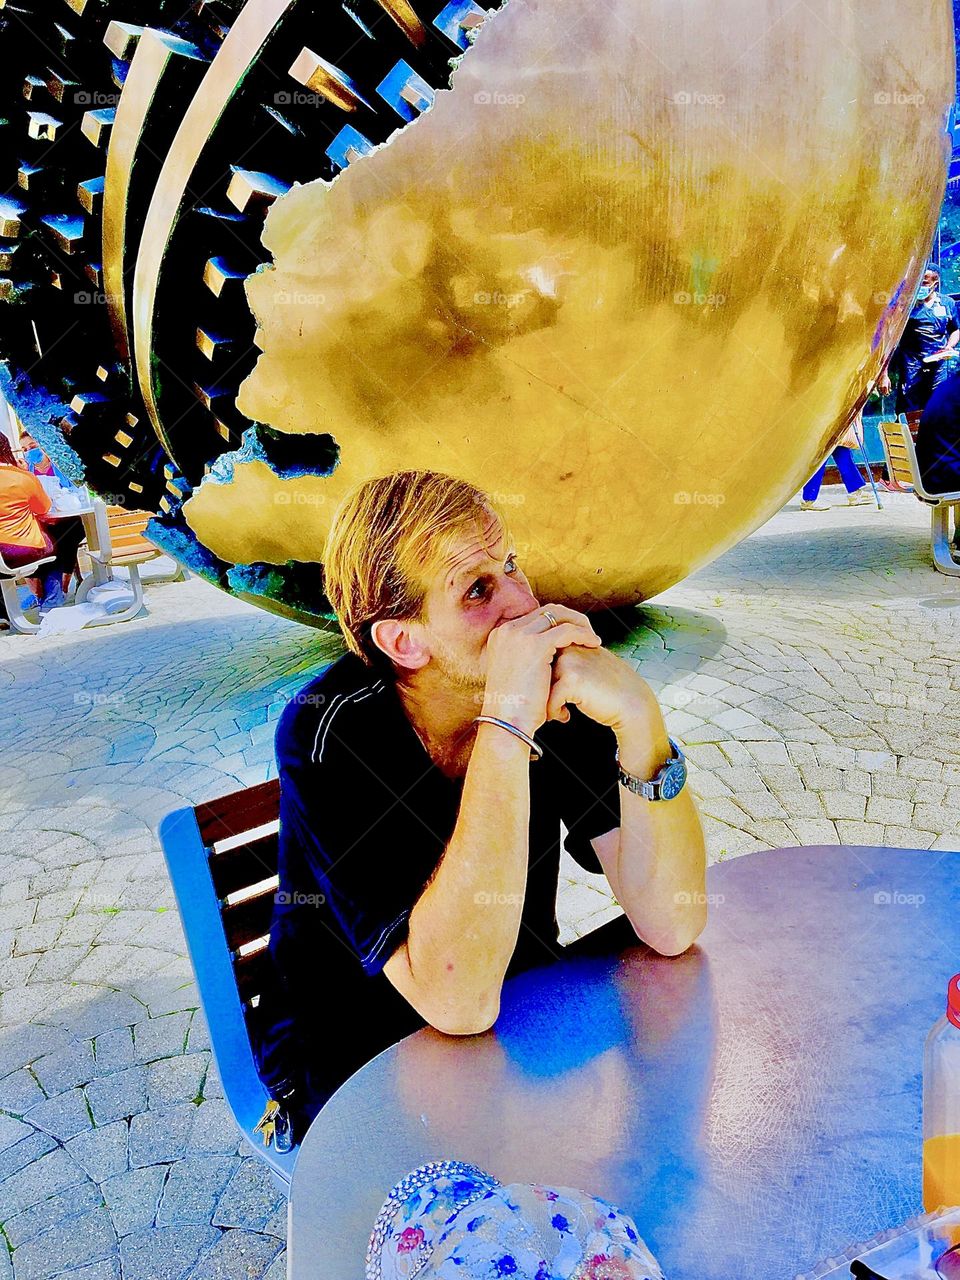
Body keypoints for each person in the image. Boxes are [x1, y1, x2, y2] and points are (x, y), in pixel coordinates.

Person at [257, 470, 707, 1139]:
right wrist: (507, 723)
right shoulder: (328, 734)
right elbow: (456, 1001)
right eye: (478, 589)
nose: (525, 604)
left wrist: (640, 719)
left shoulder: (552, 692)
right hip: (356, 1062)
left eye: (512, 566)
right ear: (404, 641)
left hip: (516, 1020)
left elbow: (673, 925)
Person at [879, 265, 960, 413]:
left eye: (924, 282)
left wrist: (949, 346)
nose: (920, 286)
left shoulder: (947, 303)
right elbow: (889, 338)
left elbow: (955, 330)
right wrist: (884, 373)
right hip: (911, 364)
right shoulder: (905, 304)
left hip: (938, 365)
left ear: (935, 283)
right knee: (909, 409)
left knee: (938, 406)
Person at [0, 433, 67, 611]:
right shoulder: (23, 477)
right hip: (25, 549)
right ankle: (51, 602)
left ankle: (4, 614)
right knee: (53, 543)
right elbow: (44, 508)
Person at [799, 416, 871, 510]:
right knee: (822, 456)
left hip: (834, 419)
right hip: (830, 419)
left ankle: (855, 491)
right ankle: (809, 499)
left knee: (841, 451)